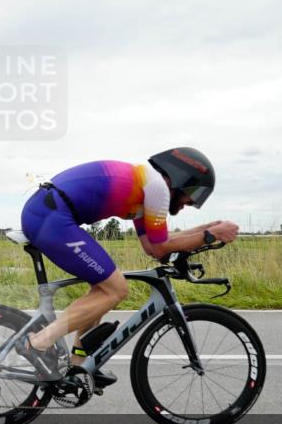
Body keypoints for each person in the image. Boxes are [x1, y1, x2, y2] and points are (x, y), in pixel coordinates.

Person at [16, 147, 239, 387]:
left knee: (103, 289)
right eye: (191, 194)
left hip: (49, 214)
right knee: (116, 289)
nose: (188, 203)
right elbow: (162, 248)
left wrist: (205, 230)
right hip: (51, 218)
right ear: (180, 179)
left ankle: (78, 364)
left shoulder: (145, 189)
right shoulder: (157, 189)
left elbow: (152, 248)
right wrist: (211, 234)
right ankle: (37, 343)